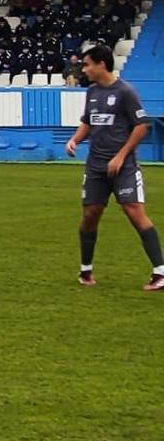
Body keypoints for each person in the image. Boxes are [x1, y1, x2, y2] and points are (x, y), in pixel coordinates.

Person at [65, 43, 164, 290]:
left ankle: (160, 272)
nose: (84, 70)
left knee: (134, 211)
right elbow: (88, 122)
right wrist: (75, 139)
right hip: (96, 166)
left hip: (124, 167)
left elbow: (142, 126)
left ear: (101, 64)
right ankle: (85, 271)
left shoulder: (125, 92)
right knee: (90, 215)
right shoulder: (92, 93)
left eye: (87, 65)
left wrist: (120, 156)